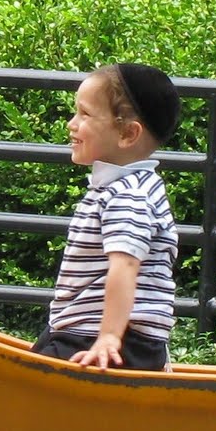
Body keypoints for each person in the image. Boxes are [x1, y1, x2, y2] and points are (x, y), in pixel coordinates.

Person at [32, 62, 180, 372]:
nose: (71, 124)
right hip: (96, 334)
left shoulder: (128, 195)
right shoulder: (128, 185)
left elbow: (125, 264)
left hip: (106, 343)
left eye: (84, 114)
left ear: (127, 133)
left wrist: (110, 337)